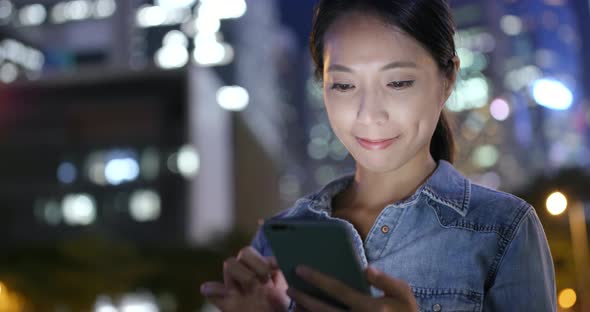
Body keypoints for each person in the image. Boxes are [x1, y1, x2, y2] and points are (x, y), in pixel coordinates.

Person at [200, 0, 557, 310]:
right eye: (343, 85)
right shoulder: (281, 240)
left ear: (447, 79)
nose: (369, 113)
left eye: (398, 82)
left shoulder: (503, 229)